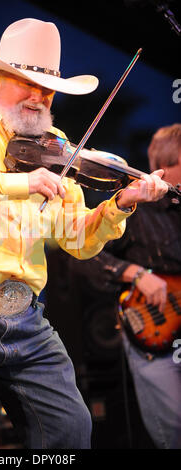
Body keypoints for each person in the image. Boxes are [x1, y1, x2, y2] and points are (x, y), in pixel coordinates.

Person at [0, 18, 168, 449]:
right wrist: (22, 183)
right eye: (28, 82)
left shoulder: (57, 144)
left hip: (23, 316)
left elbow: (76, 240)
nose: (40, 96)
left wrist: (120, 204)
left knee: (71, 430)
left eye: (47, 87)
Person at [68, 123, 181, 449]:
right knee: (172, 428)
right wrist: (134, 273)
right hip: (153, 333)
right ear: (169, 159)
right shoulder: (135, 207)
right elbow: (83, 256)